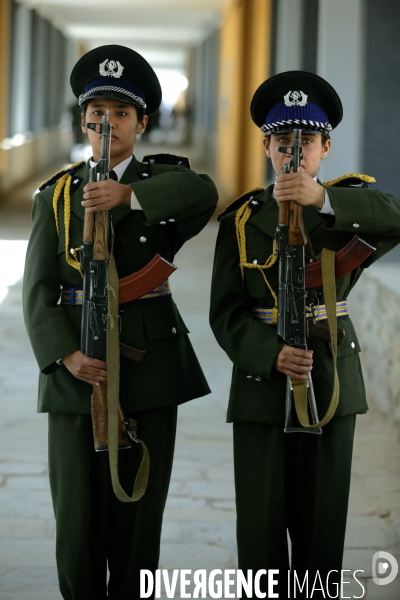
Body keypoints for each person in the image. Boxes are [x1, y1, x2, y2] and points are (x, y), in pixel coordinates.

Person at [23, 44, 218, 600]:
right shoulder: (57, 195)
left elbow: (204, 195)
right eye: (99, 112)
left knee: (138, 524)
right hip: (76, 374)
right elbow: (36, 290)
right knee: (77, 524)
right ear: (84, 119)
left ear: (142, 122)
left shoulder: (162, 183)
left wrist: (130, 194)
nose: (109, 123)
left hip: (148, 370)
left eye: (122, 113)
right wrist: (65, 356)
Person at [209, 70, 400, 598]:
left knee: (321, 530)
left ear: (326, 147)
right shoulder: (243, 220)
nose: (295, 153)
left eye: (307, 142)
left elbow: (396, 218)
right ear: (267, 147)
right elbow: (225, 312)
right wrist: (270, 355)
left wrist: (322, 201)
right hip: (261, 383)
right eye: (283, 142)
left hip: (331, 375)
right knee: (261, 531)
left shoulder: (346, 206)